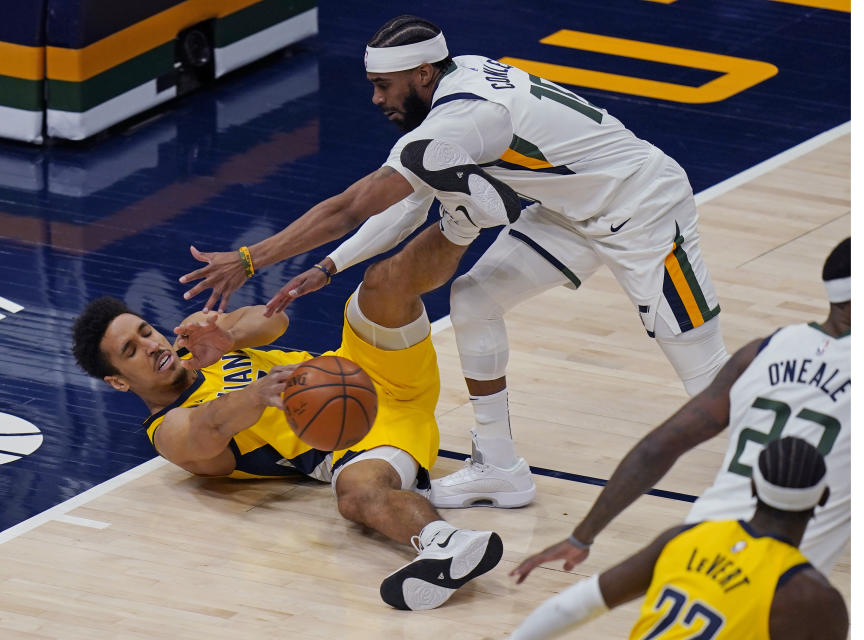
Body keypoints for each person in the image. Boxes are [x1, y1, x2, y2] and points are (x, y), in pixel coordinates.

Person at [178, 15, 729, 510]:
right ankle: (500, 468)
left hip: (642, 206)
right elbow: (409, 201)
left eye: (382, 86)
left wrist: (251, 259)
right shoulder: (454, 82)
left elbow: (352, 206)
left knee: (699, 363)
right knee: (474, 299)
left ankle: (771, 474)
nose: (375, 100)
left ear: (421, 74)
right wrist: (328, 268)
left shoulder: (464, 120)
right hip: (567, 210)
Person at [71, 225, 503, 611]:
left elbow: (273, 321)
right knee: (356, 496)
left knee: (382, 285)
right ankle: (447, 543)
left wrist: (229, 335)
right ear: (118, 382)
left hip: (357, 368)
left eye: (145, 331)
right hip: (355, 436)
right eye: (131, 351)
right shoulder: (166, 430)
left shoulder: (196, 343)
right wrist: (257, 394)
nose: (150, 346)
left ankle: (463, 218)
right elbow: (209, 428)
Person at [510, 237, 850, 579]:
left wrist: (581, 537)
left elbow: (657, 448)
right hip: (778, 587)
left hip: (694, 557)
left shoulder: (761, 351)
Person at [506, 437, 848, 640]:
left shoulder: (687, 536)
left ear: (754, 486)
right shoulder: (812, 598)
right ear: (823, 497)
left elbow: (572, 604)